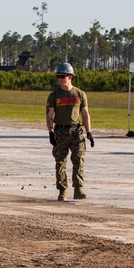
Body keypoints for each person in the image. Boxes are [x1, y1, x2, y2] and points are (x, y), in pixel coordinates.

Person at [46, 63, 94, 201]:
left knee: (78, 159)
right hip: (60, 131)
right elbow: (49, 115)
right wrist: (51, 132)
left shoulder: (80, 94)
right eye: (59, 77)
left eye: (63, 76)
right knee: (60, 161)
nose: (60, 79)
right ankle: (62, 191)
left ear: (70, 77)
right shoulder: (54, 96)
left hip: (76, 131)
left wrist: (89, 132)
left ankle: (78, 189)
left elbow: (85, 114)